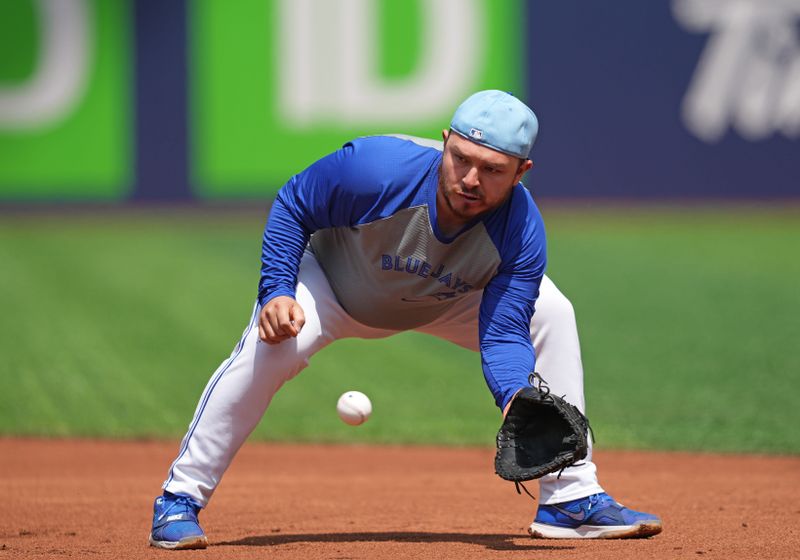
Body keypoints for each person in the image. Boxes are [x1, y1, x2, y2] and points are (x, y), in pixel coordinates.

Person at [148, 90, 662, 549]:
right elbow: (294, 203)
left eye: (493, 170)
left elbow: (504, 331)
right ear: (445, 142)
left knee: (551, 312)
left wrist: (514, 399)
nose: (470, 179)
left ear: (522, 172)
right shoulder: (375, 168)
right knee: (273, 346)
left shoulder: (522, 230)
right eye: (461, 158)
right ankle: (179, 499)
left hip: (447, 298)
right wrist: (277, 291)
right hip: (334, 283)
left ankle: (569, 499)